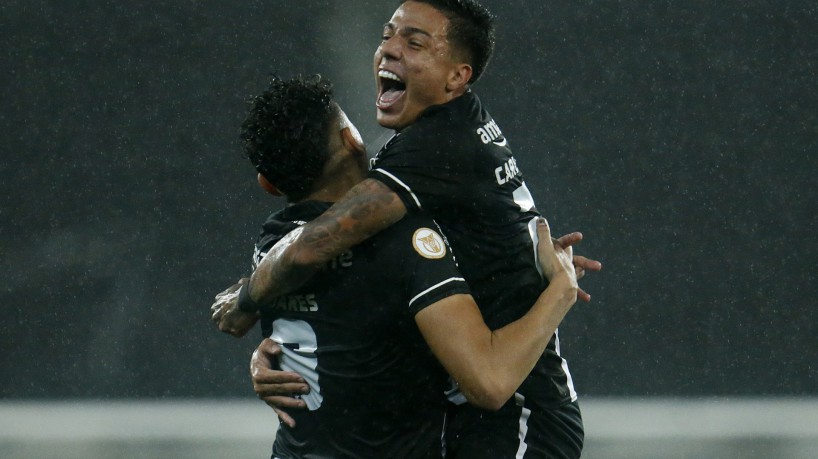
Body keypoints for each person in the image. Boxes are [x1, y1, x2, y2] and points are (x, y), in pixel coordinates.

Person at [215, 1, 602, 457]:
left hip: (519, 412)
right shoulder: (430, 150)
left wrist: (248, 303)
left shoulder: (431, 151)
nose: (388, 51)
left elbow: (312, 246)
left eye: (414, 42)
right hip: (475, 406)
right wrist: (285, 347)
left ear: (457, 76)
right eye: (387, 36)